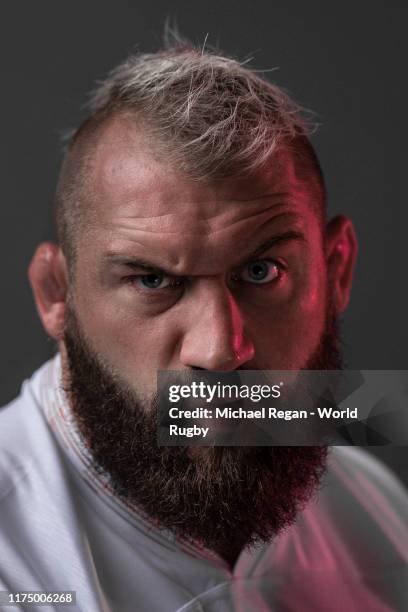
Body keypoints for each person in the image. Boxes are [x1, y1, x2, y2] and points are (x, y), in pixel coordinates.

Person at [1, 39, 407, 612]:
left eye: (262, 271)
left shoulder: (374, 510)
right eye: (151, 281)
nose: (221, 350)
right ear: (55, 295)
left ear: (336, 271)